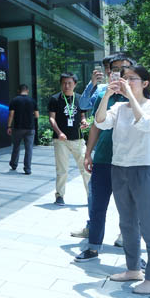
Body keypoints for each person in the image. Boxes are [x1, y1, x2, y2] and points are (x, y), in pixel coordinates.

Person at [95, 65, 150, 295]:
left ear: (145, 83)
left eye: (132, 79)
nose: (126, 81)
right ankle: (133, 269)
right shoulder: (118, 107)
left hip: (144, 169)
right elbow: (100, 122)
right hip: (119, 168)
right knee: (127, 223)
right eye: (123, 78)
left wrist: (131, 97)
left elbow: (145, 124)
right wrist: (107, 94)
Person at [71, 54, 134, 248]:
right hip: (104, 157)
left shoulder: (140, 95)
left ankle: (127, 235)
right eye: (115, 69)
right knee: (97, 201)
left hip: (129, 160)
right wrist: (88, 153)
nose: (119, 73)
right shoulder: (102, 94)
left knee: (128, 202)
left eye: (124, 69)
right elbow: (96, 126)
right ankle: (93, 241)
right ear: (109, 72)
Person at [48, 72, 90, 206]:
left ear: (75, 84)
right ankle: (60, 196)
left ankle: (91, 196)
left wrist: (84, 121)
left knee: (86, 168)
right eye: (64, 83)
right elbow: (51, 119)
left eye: (69, 83)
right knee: (62, 170)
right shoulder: (55, 99)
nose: (66, 86)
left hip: (78, 139)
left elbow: (82, 115)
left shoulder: (80, 98)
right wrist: (59, 133)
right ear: (61, 84)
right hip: (61, 140)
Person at [7, 84, 39, 174]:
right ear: (27, 91)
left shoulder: (14, 100)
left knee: (16, 147)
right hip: (30, 129)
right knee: (29, 149)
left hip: (18, 128)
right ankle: (27, 169)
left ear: (18, 91)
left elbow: (11, 115)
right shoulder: (32, 101)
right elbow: (37, 115)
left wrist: (9, 126)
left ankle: (14, 164)